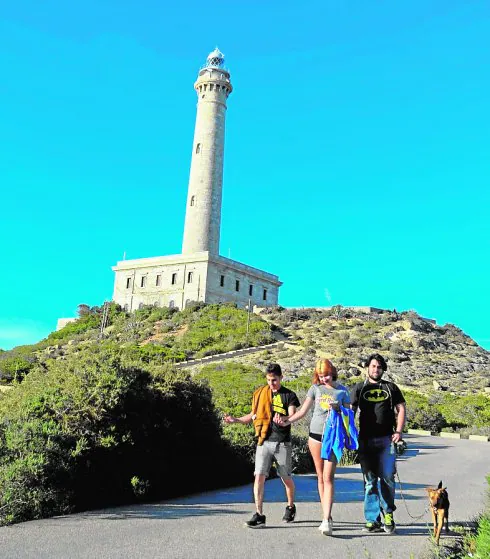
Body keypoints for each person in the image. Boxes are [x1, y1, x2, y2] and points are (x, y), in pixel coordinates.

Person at [274, 359, 350, 536]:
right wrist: (286, 420)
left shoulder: (342, 390)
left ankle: (327, 518)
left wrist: (339, 409)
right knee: (320, 477)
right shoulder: (315, 389)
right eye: (321, 376)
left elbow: (349, 416)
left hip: (333, 437)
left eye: (327, 375)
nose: (324, 379)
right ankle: (326, 517)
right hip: (315, 436)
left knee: (328, 477)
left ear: (333, 372)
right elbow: (302, 412)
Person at [224, 363, 300, 528]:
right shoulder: (260, 394)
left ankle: (290, 506)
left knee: (285, 478)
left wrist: (284, 419)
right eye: (268, 380)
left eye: (274, 380)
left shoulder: (289, 395)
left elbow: (293, 415)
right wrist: (235, 420)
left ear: (281, 378)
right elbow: (253, 415)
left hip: (282, 443)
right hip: (263, 441)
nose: (271, 383)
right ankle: (259, 514)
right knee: (259, 476)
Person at [350, 353, 406, 534]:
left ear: (383, 369)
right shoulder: (359, 388)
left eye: (379, 367)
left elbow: (401, 408)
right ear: (367, 367)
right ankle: (372, 519)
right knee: (370, 482)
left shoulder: (391, 388)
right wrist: (349, 434)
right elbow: (350, 412)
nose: (376, 369)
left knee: (388, 478)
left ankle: (388, 514)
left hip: (386, 440)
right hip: (365, 441)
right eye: (373, 366)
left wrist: (398, 431)